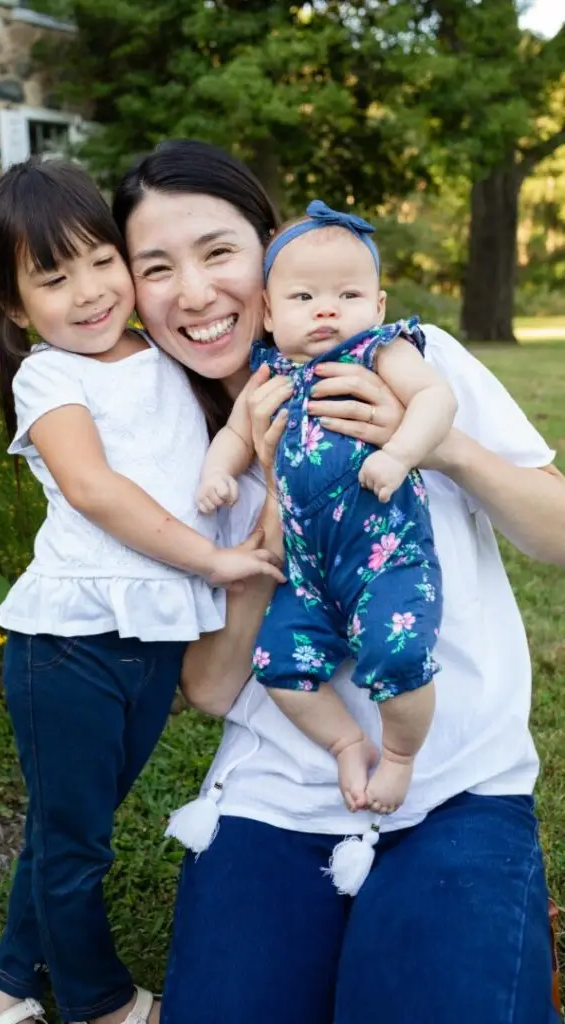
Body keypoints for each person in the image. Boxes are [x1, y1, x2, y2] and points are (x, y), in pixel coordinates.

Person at [112, 138, 565, 1024]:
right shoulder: (176, 441)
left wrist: (438, 447)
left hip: (453, 783)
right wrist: (261, 538)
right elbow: (206, 689)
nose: (195, 293)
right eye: (155, 267)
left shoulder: (404, 353)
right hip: (276, 792)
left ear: (273, 251)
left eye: (218, 252)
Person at [0, 160, 284, 1024]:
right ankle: (101, 1000)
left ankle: (5, 987)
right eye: (52, 278)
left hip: (149, 647)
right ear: (12, 306)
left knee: (74, 827)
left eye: (102, 261)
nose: (89, 292)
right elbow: (96, 489)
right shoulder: (50, 377)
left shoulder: (165, 355)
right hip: (68, 643)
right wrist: (212, 562)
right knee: (78, 843)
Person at [198, 199, 458, 820]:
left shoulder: (379, 352)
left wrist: (397, 455)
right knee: (279, 664)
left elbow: (435, 400)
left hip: (385, 556)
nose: (326, 309)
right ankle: (346, 741)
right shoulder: (271, 375)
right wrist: (217, 472)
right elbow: (236, 436)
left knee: (398, 655)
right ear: (267, 311)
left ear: (378, 306)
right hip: (308, 572)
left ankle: (398, 756)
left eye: (347, 294)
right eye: (303, 297)